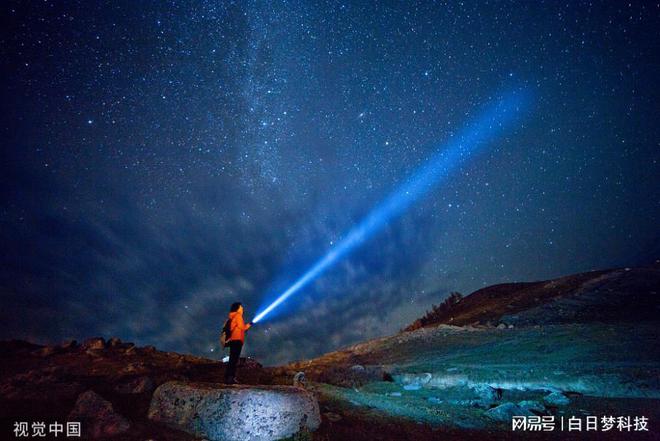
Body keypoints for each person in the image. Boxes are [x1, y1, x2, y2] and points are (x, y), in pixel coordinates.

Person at [224, 302, 252, 384]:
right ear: (238, 308)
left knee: (232, 359)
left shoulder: (232, 316)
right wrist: (248, 325)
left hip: (233, 340)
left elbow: (239, 327)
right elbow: (242, 327)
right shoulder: (238, 315)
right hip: (237, 340)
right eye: (241, 307)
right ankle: (231, 378)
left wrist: (249, 325)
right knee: (234, 359)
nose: (242, 308)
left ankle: (228, 377)